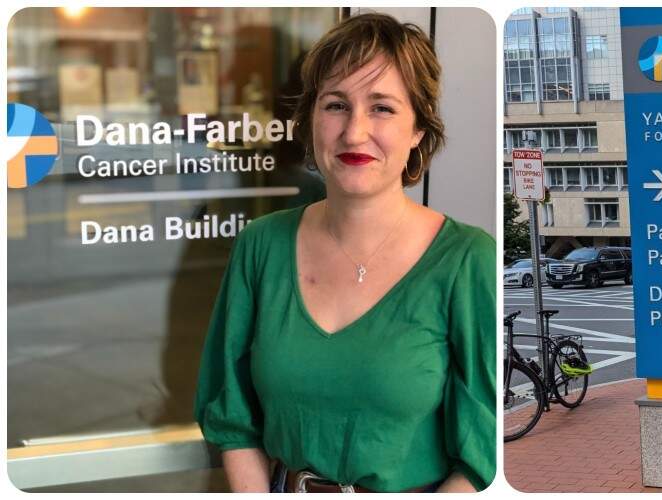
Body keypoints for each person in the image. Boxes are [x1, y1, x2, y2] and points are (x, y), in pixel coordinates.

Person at [194, 13, 495, 493]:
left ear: (418, 129)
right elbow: (232, 420)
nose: (354, 133)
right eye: (336, 105)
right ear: (310, 119)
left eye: (382, 108)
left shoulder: (466, 259)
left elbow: (482, 453)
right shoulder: (260, 245)